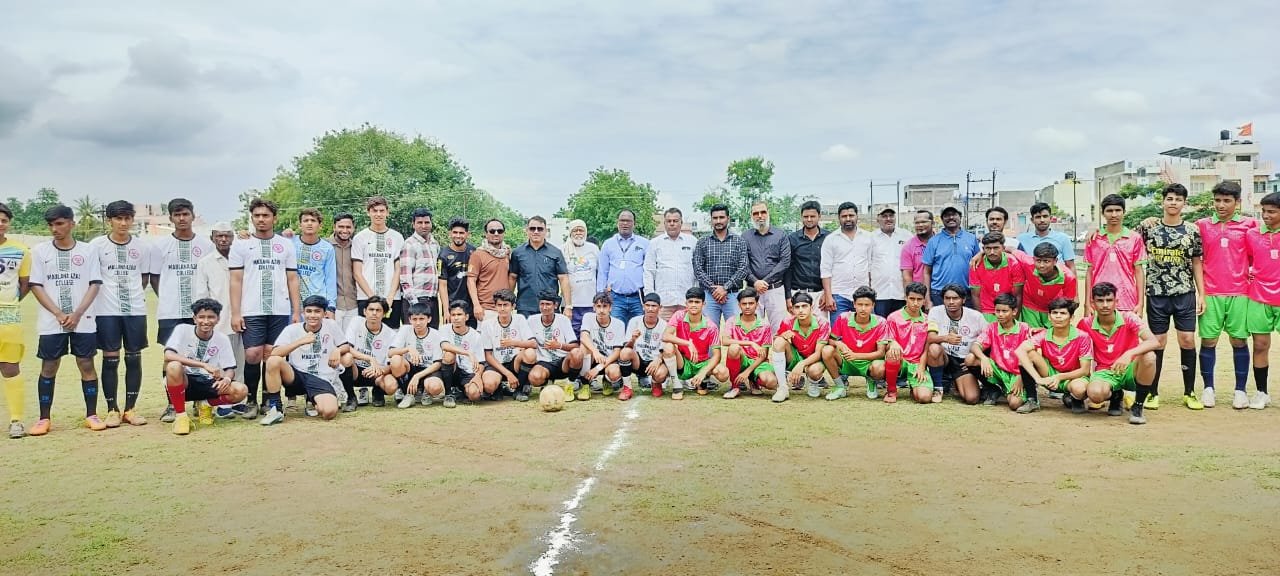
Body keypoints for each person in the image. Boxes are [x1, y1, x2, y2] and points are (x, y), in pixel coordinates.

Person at [28, 205, 103, 435]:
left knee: (86, 364)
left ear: (72, 223)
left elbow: (94, 284)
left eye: (59, 223)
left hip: (84, 319)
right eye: (51, 225)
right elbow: (36, 286)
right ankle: (44, 418)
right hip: (52, 322)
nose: (54, 229)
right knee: (49, 366)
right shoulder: (40, 251)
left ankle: (92, 414)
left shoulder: (88, 250)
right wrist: (59, 314)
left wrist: (77, 313)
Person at [1134, 183, 1204, 410]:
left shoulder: (1192, 230)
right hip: (1157, 294)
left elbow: (1196, 262)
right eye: (1170, 198)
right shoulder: (1148, 228)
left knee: (1187, 340)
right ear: (1163, 201)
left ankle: (1190, 392)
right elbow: (1125, 240)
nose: (1173, 202)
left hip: (1184, 293)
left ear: (1184, 203)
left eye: (1178, 199)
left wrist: (1202, 294)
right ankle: (1152, 392)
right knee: (1159, 342)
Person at [230, 198, 301, 418]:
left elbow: (292, 279)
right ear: (252, 218)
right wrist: (235, 312)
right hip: (252, 309)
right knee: (252, 354)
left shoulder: (285, 244)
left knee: (272, 355)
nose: (261, 219)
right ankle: (250, 399)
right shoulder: (241, 245)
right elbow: (235, 280)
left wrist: (296, 311)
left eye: (266, 215)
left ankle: (269, 400)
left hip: (279, 309)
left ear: (274, 218)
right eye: (257, 215)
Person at [150, 198, 216, 422]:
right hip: (170, 312)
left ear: (192, 216)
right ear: (170, 218)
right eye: (177, 215)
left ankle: (200, 400)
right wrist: (168, 297)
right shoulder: (159, 246)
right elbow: (155, 278)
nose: (181, 218)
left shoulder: (206, 245)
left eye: (185, 214)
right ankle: (172, 404)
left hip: (199, 313)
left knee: (201, 353)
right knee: (171, 358)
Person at [89, 200, 151, 428]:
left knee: (134, 358)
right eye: (118, 218)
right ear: (109, 221)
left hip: (135, 310)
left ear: (132, 220)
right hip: (106, 312)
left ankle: (130, 409)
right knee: (110, 359)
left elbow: (143, 278)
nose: (123, 223)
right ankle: (112, 410)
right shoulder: (96, 246)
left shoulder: (142, 247)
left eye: (127, 218)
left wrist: (132, 296)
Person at [1197, 181, 1256, 408]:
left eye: (1227, 201)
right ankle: (1208, 388)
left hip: (1240, 293)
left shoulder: (1249, 225)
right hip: (1210, 292)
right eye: (1218, 200)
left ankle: (1240, 391)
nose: (1221, 205)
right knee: (1209, 341)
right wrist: (1148, 220)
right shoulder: (1202, 225)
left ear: (1237, 202)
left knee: (1238, 340)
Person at [162, 298, 248, 435]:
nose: (206, 321)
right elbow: (168, 355)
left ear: (218, 319)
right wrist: (203, 365)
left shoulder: (222, 339)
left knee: (241, 390)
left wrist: (226, 379)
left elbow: (230, 368)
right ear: (194, 318)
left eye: (211, 317)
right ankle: (181, 416)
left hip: (208, 382)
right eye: (201, 317)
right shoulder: (182, 330)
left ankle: (206, 404)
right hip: (185, 381)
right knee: (173, 366)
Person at [1078, 282, 1160, 425]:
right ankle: (1116, 395)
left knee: (1150, 356)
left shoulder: (1129, 318)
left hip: (1130, 369)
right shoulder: (1085, 324)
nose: (1105, 305)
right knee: (1095, 394)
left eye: (1109, 300)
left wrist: (1128, 354)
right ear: (1092, 302)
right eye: (1100, 301)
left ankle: (1138, 406)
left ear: (1116, 301)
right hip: (1104, 371)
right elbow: (1075, 349)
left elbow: (1154, 341)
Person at [259, 295, 346, 425]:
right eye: (309, 311)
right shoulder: (292, 329)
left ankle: (314, 400)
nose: (312, 315)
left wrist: (337, 350)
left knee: (329, 413)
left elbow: (345, 346)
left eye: (317, 311)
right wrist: (300, 342)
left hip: (322, 378)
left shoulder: (331, 325)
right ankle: (275, 408)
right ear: (303, 312)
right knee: (273, 361)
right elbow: (275, 353)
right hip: (297, 376)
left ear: (324, 313)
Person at [194, 222, 248, 419]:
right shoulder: (205, 263)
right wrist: (208, 320)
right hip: (219, 321)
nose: (223, 239)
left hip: (243, 316)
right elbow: (202, 295)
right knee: (219, 363)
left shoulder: (242, 257)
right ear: (212, 238)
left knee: (240, 360)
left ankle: (239, 400)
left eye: (227, 236)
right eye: (219, 236)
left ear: (233, 238)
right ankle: (220, 403)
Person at [1015, 298, 1093, 414]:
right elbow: (1019, 350)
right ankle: (1032, 400)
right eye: (1054, 313)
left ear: (1071, 318)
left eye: (1063, 313)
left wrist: (1059, 377)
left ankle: (1075, 398)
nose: (1058, 316)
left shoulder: (1082, 337)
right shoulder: (1044, 335)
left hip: (1073, 377)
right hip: (1049, 375)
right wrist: (1038, 378)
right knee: (1028, 354)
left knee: (1079, 389)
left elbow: (1085, 370)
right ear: (1049, 316)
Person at [1242, 190, 1280, 410]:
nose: (1265, 215)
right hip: (1258, 296)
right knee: (1260, 345)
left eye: (1271, 212)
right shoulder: (1252, 234)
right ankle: (1261, 392)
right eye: (1263, 211)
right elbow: (1246, 259)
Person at [966, 293, 1035, 412]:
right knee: (970, 359)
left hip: (1018, 373)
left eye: (1004, 311)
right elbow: (975, 346)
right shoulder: (992, 327)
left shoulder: (1024, 329)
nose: (1000, 314)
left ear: (1014, 311)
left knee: (1014, 404)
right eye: (997, 311)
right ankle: (993, 388)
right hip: (998, 369)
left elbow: (1032, 357)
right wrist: (984, 358)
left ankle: (1030, 396)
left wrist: (1021, 377)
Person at [1083, 194, 1147, 316]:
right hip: (1099, 300)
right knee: (1098, 334)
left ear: (1124, 212)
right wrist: (1087, 303)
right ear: (1103, 213)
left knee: (1126, 334)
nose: (1114, 215)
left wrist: (1140, 303)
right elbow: (1089, 272)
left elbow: (1139, 272)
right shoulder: (1094, 238)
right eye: (1109, 211)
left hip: (1127, 300)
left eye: (1118, 210)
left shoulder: (1134, 238)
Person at [823, 286, 889, 401]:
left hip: (869, 362)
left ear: (873, 305)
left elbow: (880, 352)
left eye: (867, 305)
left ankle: (871, 381)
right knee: (827, 350)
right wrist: (839, 344)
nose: (863, 309)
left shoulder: (881, 322)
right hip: (846, 360)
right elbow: (830, 339)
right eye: (860, 304)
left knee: (879, 368)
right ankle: (840, 386)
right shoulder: (843, 318)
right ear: (854, 304)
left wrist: (856, 355)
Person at [662, 287, 728, 399]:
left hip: (702, 363)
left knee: (723, 373)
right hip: (683, 362)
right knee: (668, 346)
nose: (693, 305)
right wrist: (688, 343)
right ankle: (676, 385)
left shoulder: (711, 326)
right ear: (686, 303)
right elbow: (665, 336)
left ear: (704, 304)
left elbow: (717, 355)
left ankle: (703, 379)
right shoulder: (679, 315)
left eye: (697, 302)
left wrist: (703, 372)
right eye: (690, 302)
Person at [925, 284, 986, 405]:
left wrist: (973, 361)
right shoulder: (935, 311)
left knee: (972, 398)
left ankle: (956, 383)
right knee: (934, 348)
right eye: (947, 298)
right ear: (943, 300)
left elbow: (988, 339)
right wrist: (946, 338)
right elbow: (930, 338)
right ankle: (938, 388)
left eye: (955, 298)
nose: (951, 302)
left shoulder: (976, 316)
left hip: (963, 362)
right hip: (944, 357)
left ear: (963, 300)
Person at [0, 203, 31, 438]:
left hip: (8, 315)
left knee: (10, 368)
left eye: (3, 220)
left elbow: (24, 285)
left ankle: (16, 421)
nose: (0, 224)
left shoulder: (21, 250)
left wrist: (9, 304)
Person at [693, 203, 748, 327]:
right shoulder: (702, 242)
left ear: (728, 218)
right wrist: (714, 289)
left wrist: (725, 288)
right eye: (715, 218)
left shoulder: (739, 241)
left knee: (736, 331)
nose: (718, 221)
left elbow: (743, 268)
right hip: (709, 295)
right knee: (709, 333)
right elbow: (697, 269)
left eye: (721, 217)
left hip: (733, 295)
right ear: (711, 220)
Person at [768, 292, 830, 402]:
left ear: (811, 307)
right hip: (795, 356)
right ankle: (782, 388)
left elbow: (819, 353)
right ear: (792, 309)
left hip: (814, 359)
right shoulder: (787, 322)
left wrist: (801, 364)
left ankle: (813, 381)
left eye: (804, 306)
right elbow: (776, 344)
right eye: (797, 307)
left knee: (814, 371)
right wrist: (783, 336)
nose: (800, 310)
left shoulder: (822, 323)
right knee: (779, 341)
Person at [353, 196, 404, 328]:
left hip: (392, 299)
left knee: (391, 335)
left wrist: (390, 297)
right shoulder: (360, 238)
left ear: (387, 212)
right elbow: (357, 273)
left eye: (382, 211)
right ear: (368, 212)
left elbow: (398, 269)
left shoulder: (397, 237)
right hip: (366, 298)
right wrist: (373, 299)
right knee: (366, 336)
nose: (378, 214)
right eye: (374, 211)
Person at [338, 297, 397, 411]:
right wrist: (369, 358)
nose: (374, 313)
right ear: (365, 311)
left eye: (378, 310)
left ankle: (377, 391)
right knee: (346, 358)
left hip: (376, 372)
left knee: (391, 386)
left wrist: (380, 370)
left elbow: (391, 365)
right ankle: (351, 398)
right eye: (371, 309)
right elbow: (347, 348)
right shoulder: (356, 322)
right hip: (355, 368)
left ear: (384, 314)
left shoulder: (391, 334)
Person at [820, 201, 874, 325]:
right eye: (844, 216)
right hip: (839, 295)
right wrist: (828, 296)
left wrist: (871, 292)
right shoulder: (831, 240)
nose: (848, 219)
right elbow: (825, 270)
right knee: (838, 335)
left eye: (851, 215)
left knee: (865, 332)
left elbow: (870, 266)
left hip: (863, 295)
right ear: (839, 218)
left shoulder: (868, 237)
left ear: (857, 217)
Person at [884, 282, 937, 404]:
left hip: (917, 364)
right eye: (912, 299)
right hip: (900, 360)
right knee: (892, 353)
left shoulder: (928, 320)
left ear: (924, 300)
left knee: (924, 398)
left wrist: (922, 367)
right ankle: (891, 391)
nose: (915, 303)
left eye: (919, 299)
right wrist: (893, 343)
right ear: (905, 298)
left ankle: (915, 387)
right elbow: (887, 341)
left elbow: (926, 348)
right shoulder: (893, 317)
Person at [480, 289, 536, 402]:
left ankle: (519, 390)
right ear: (495, 307)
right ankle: (499, 387)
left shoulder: (519, 319)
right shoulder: (487, 325)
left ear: (513, 306)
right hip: (496, 364)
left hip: (514, 362)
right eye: (499, 305)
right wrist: (508, 374)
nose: (502, 308)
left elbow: (533, 343)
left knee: (530, 353)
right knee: (489, 385)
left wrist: (514, 343)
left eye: (506, 305)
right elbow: (488, 355)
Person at [743, 202, 791, 334]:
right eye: (755, 213)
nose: (760, 216)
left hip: (775, 290)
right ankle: (756, 355)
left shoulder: (781, 235)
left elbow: (785, 262)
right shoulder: (745, 237)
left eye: (763, 212)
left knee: (779, 332)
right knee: (753, 331)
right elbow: (742, 264)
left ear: (768, 213)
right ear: (751, 216)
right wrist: (755, 282)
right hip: (752, 291)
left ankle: (778, 356)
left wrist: (764, 282)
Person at [510, 216, 571, 318]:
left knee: (550, 334)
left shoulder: (556, 253)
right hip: (525, 306)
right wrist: (509, 301)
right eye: (532, 228)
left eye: (540, 229)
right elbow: (512, 278)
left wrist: (568, 306)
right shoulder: (517, 253)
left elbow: (564, 279)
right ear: (527, 231)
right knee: (526, 334)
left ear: (546, 231)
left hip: (550, 306)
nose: (536, 231)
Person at [721, 288, 777, 399]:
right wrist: (750, 343)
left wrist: (747, 372)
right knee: (734, 348)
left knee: (771, 382)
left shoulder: (764, 325)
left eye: (751, 303)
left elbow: (764, 355)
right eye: (744, 304)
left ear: (756, 305)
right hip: (740, 359)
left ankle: (754, 381)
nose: (747, 306)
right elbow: (725, 341)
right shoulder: (732, 321)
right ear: (739, 305)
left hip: (758, 362)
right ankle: (735, 386)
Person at [525, 292, 584, 398]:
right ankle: (547, 383)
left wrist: (559, 345)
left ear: (555, 305)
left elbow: (575, 346)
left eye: (548, 304)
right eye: (542, 304)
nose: (544, 307)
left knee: (577, 353)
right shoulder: (531, 320)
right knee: (535, 378)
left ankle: (570, 383)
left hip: (563, 362)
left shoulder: (563, 320)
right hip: (544, 362)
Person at [387, 302, 446, 407]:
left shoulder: (436, 334)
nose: (418, 323)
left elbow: (438, 363)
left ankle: (425, 392)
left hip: (428, 370)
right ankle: (407, 393)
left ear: (429, 319)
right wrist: (408, 349)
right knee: (395, 359)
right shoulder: (405, 330)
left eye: (421, 319)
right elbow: (390, 352)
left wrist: (417, 376)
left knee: (435, 387)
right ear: (409, 320)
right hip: (410, 368)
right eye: (414, 319)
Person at [644, 208, 697, 322]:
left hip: (686, 300)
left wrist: (696, 296)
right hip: (663, 301)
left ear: (681, 223)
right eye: (669, 221)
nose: (672, 224)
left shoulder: (692, 242)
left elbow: (697, 271)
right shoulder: (655, 243)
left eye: (675, 221)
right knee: (662, 336)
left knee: (686, 336)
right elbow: (649, 271)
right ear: (664, 223)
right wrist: (650, 297)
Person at [598, 209, 649, 325]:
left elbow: (649, 270)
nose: (625, 224)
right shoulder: (608, 244)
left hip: (638, 298)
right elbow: (602, 272)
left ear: (634, 224)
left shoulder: (644, 244)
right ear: (617, 223)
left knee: (638, 330)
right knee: (616, 331)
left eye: (628, 221)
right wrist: (601, 295)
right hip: (615, 298)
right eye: (622, 220)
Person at [922, 206, 979, 307]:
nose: (951, 217)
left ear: (960, 217)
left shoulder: (971, 239)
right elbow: (926, 272)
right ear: (942, 219)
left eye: (954, 214)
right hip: (939, 293)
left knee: (965, 323)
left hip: (965, 293)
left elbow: (978, 265)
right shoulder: (934, 241)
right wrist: (927, 300)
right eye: (947, 215)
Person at [578, 291, 630, 400]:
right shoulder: (588, 317)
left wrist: (598, 368)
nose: (601, 310)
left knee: (614, 373)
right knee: (584, 347)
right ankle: (585, 384)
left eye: (605, 306)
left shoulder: (619, 324)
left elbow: (616, 352)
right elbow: (583, 337)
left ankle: (607, 381)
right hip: (593, 357)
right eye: (598, 306)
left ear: (610, 308)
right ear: (594, 307)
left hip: (609, 361)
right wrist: (595, 351)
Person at [784, 201, 829, 317]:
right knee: (797, 331)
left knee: (820, 330)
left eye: (812, 216)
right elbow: (788, 268)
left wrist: (827, 293)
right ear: (801, 217)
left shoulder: (829, 238)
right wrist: (788, 296)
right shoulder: (792, 239)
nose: (809, 219)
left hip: (820, 294)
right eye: (805, 217)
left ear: (819, 216)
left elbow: (832, 268)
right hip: (798, 293)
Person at [1018, 243, 1076, 330]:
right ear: (1033, 259)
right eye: (1038, 261)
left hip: (1052, 308)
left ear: (1055, 261)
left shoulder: (1068, 277)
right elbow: (1014, 251)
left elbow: (1068, 303)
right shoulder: (1028, 263)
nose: (1041, 265)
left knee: (1052, 336)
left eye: (1046, 261)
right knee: (1031, 334)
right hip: (1030, 306)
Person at [439, 300, 487, 405]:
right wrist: (468, 353)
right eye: (453, 315)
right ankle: (448, 393)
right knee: (449, 354)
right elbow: (444, 345)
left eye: (459, 314)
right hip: (451, 369)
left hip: (468, 372)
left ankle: (462, 391)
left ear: (466, 317)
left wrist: (478, 376)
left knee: (474, 395)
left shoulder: (476, 335)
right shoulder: (444, 329)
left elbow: (482, 362)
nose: (456, 318)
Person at [400, 208, 441, 328]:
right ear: (413, 224)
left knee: (432, 339)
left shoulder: (435, 244)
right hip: (416, 300)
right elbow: (405, 279)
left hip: (432, 300)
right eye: (419, 223)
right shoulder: (409, 245)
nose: (424, 226)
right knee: (414, 339)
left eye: (427, 222)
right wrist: (415, 305)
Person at [969, 232, 1024, 321]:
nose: (992, 252)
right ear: (983, 249)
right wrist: (980, 319)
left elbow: (1018, 295)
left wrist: (1015, 320)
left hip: (1008, 310)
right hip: (986, 312)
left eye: (996, 248)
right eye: (988, 248)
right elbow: (975, 295)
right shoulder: (976, 265)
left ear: (1003, 248)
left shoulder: (1014, 263)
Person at [624, 293, 671, 396]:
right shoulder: (634, 321)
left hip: (654, 362)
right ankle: (627, 387)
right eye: (647, 305)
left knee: (660, 374)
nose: (650, 309)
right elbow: (626, 349)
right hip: (638, 361)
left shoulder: (664, 325)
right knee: (625, 352)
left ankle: (656, 383)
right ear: (643, 306)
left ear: (660, 308)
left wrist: (658, 360)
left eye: (654, 306)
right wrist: (632, 339)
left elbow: (666, 349)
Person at [291, 208, 337, 315]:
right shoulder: (290, 243)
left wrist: (331, 307)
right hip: (293, 303)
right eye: (306, 220)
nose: (309, 223)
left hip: (318, 302)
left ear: (320, 225)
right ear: (300, 225)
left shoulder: (327, 248)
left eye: (313, 220)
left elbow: (330, 278)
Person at [870, 207, 912, 318]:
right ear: (877, 219)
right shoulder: (871, 238)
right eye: (884, 216)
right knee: (881, 328)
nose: (888, 219)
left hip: (901, 294)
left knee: (900, 327)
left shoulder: (907, 236)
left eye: (891, 216)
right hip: (879, 294)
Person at [469, 218, 514, 322]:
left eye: (500, 231)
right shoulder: (477, 255)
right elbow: (471, 281)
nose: (496, 233)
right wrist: (476, 305)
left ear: (504, 233)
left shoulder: (507, 253)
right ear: (486, 233)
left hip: (504, 308)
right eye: (492, 231)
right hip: (486, 309)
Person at [563, 219, 600, 334]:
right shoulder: (563, 250)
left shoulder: (593, 248)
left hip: (591, 302)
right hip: (572, 305)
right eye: (575, 230)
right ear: (570, 233)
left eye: (581, 230)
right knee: (573, 337)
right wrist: (567, 305)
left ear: (586, 232)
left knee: (591, 335)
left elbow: (600, 272)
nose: (578, 233)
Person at [438, 218, 475, 327]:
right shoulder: (443, 255)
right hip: (453, 305)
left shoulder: (474, 252)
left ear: (467, 234)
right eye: (455, 232)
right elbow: (442, 285)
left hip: (470, 305)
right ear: (450, 233)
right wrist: (446, 310)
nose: (458, 236)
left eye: (461, 233)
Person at [1017, 202, 1075, 268]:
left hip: (1057, 278)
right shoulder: (1021, 239)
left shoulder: (1063, 239)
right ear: (1032, 220)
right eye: (1038, 217)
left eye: (1045, 216)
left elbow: (1071, 266)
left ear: (1050, 218)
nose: (1042, 220)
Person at [331, 213, 359, 331]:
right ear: (334, 227)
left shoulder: (357, 247)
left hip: (353, 304)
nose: (345, 230)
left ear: (353, 228)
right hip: (332, 306)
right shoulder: (325, 246)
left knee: (350, 343)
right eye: (341, 227)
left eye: (348, 227)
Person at [900, 209, 935, 288]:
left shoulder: (940, 243)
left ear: (933, 223)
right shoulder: (908, 247)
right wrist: (910, 296)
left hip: (939, 293)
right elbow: (907, 276)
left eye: (923, 222)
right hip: (919, 294)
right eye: (917, 223)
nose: (920, 225)